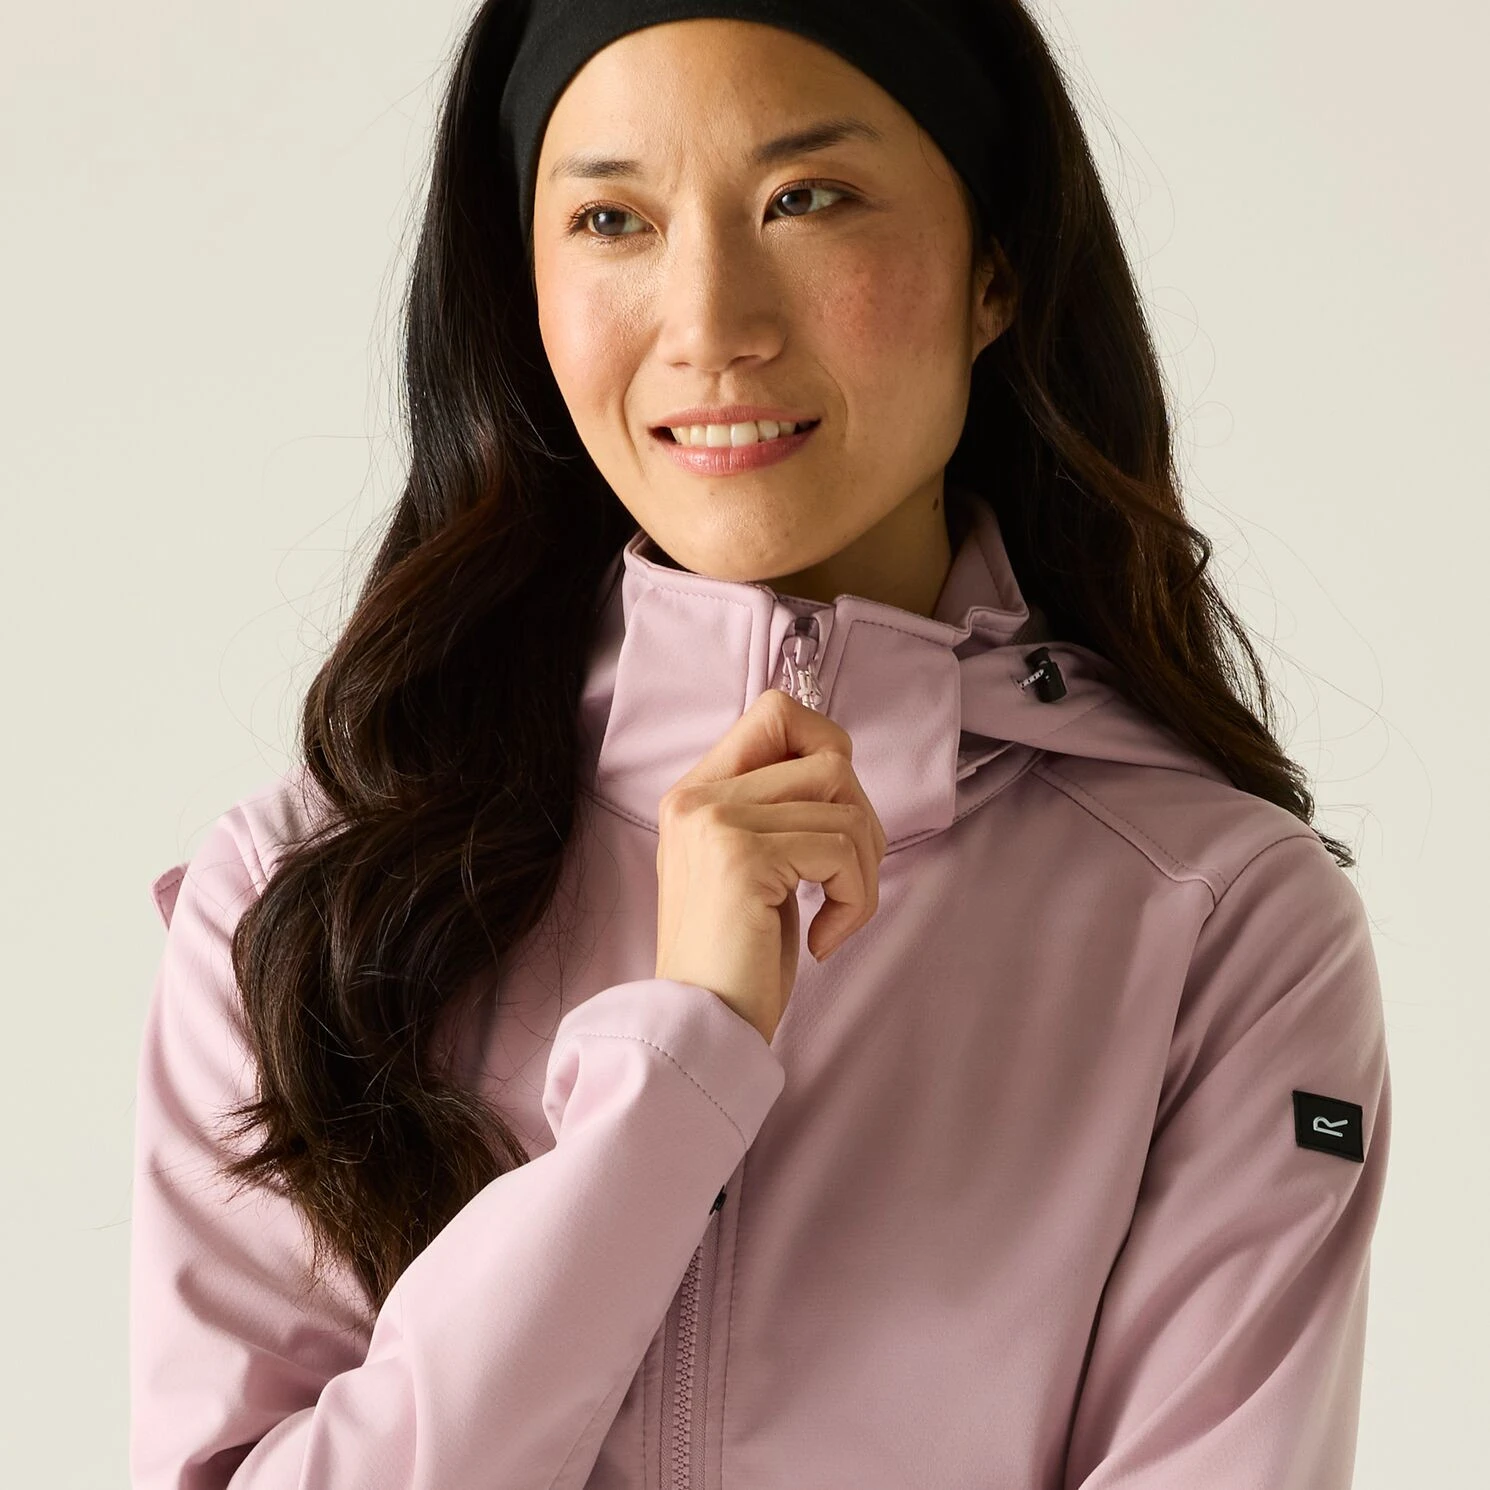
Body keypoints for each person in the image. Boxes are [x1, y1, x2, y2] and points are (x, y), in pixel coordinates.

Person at [128, 3, 1392, 1488]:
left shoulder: (1216, 925)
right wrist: (678, 1077)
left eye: (807, 198)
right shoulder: (304, 897)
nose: (710, 323)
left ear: (996, 267)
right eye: (612, 219)